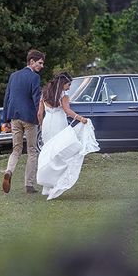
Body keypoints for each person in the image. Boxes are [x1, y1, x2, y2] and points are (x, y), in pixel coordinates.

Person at [36, 72, 99, 200]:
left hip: (47, 124)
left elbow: (39, 113)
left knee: (49, 153)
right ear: (62, 84)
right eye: (68, 85)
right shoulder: (63, 95)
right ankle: (55, 183)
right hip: (59, 123)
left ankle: (46, 186)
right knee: (60, 152)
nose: (69, 87)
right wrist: (80, 118)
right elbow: (67, 110)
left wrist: (42, 126)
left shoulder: (44, 94)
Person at [2, 49, 45, 194]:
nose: (42, 66)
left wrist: (5, 119)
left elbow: (7, 98)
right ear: (31, 61)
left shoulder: (13, 76)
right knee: (32, 151)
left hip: (14, 117)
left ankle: (9, 171)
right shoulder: (34, 78)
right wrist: (40, 118)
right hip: (29, 118)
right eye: (40, 63)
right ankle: (29, 185)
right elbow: (36, 99)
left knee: (16, 149)